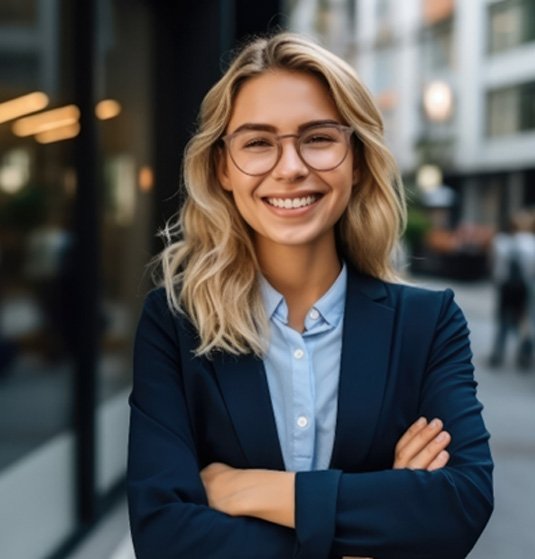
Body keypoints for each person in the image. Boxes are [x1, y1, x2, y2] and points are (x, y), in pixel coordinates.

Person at [127, 33, 493, 559]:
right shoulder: (175, 322)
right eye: (257, 143)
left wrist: (252, 491)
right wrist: (374, 519)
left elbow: (459, 505)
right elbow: (165, 536)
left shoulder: (428, 323)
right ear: (223, 169)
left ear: (357, 160)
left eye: (318, 138)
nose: (291, 166)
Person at [488, 211, 534, 369]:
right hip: (524, 288)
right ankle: (524, 354)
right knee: (524, 320)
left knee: (502, 319)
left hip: (505, 286)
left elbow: (494, 265)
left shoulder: (501, 241)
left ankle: (498, 353)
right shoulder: (531, 243)